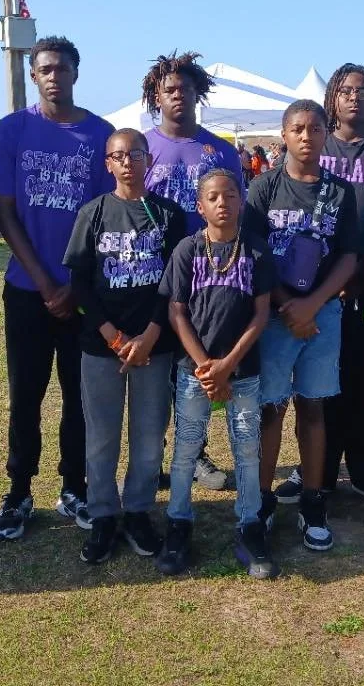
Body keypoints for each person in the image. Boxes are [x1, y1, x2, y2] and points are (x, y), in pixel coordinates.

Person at [0, 36, 114, 540]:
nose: (54, 76)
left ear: (76, 73)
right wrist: (44, 283)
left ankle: (74, 486)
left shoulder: (100, 134)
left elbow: (105, 218)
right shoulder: (12, 129)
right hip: (27, 290)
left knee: (79, 395)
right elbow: (5, 211)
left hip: (82, 293)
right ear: (33, 75)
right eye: (45, 69)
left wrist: (74, 287)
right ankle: (18, 490)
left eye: (62, 68)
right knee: (26, 393)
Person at [63, 128, 186, 564]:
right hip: (103, 347)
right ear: (108, 164)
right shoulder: (93, 212)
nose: (128, 162)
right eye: (118, 156)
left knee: (149, 436)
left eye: (135, 154)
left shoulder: (168, 214)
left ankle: (137, 511)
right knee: (101, 437)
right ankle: (103, 515)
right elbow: (79, 284)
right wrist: (112, 336)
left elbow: (175, 283)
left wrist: (150, 334)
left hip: (155, 343)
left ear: (148, 160)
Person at [274, 63, 364, 507]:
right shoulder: (318, 144)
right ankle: (315, 473)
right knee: (320, 387)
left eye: (363, 90)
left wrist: (362, 275)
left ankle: (362, 471)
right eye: (344, 90)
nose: (354, 97)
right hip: (320, 288)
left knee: (360, 382)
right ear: (332, 100)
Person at [246, 99, 358, 551]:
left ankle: (313, 500)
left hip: (322, 316)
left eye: (315, 128)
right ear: (284, 135)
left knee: (313, 407)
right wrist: (288, 305)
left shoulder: (340, 191)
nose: (306, 136)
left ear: (326, 133)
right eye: (298, 129)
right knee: (271, 409)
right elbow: (252, 253)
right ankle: (262, 500)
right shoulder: (263, 187)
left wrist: (312, 305)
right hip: (275, 316)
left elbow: (348, 256)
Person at [157, 169, 278, 578]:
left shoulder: (256, 250)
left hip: (242, 371)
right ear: (200, 206)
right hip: (195, 372)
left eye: (230, 195)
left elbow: (261, 315)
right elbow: (176, 312)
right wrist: (205, 367)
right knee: (186, 449)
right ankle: (178, 522)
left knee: (247, 450)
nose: (222, 202)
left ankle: (249, 524)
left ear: (242, 201)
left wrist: (226, 366)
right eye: (213, 197)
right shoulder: (187, 250)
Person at [142, 51, 244, 491]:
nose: (177, 95)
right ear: (156, 96)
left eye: (185, 88)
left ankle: (196, 453)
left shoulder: (220, 150)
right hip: (149, 276)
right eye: (168, 89)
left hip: (206, 280)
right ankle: (151, 458)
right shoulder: (141, 147)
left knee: (194, 370)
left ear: (197, 93)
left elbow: (239, 212)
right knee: (154, 374)